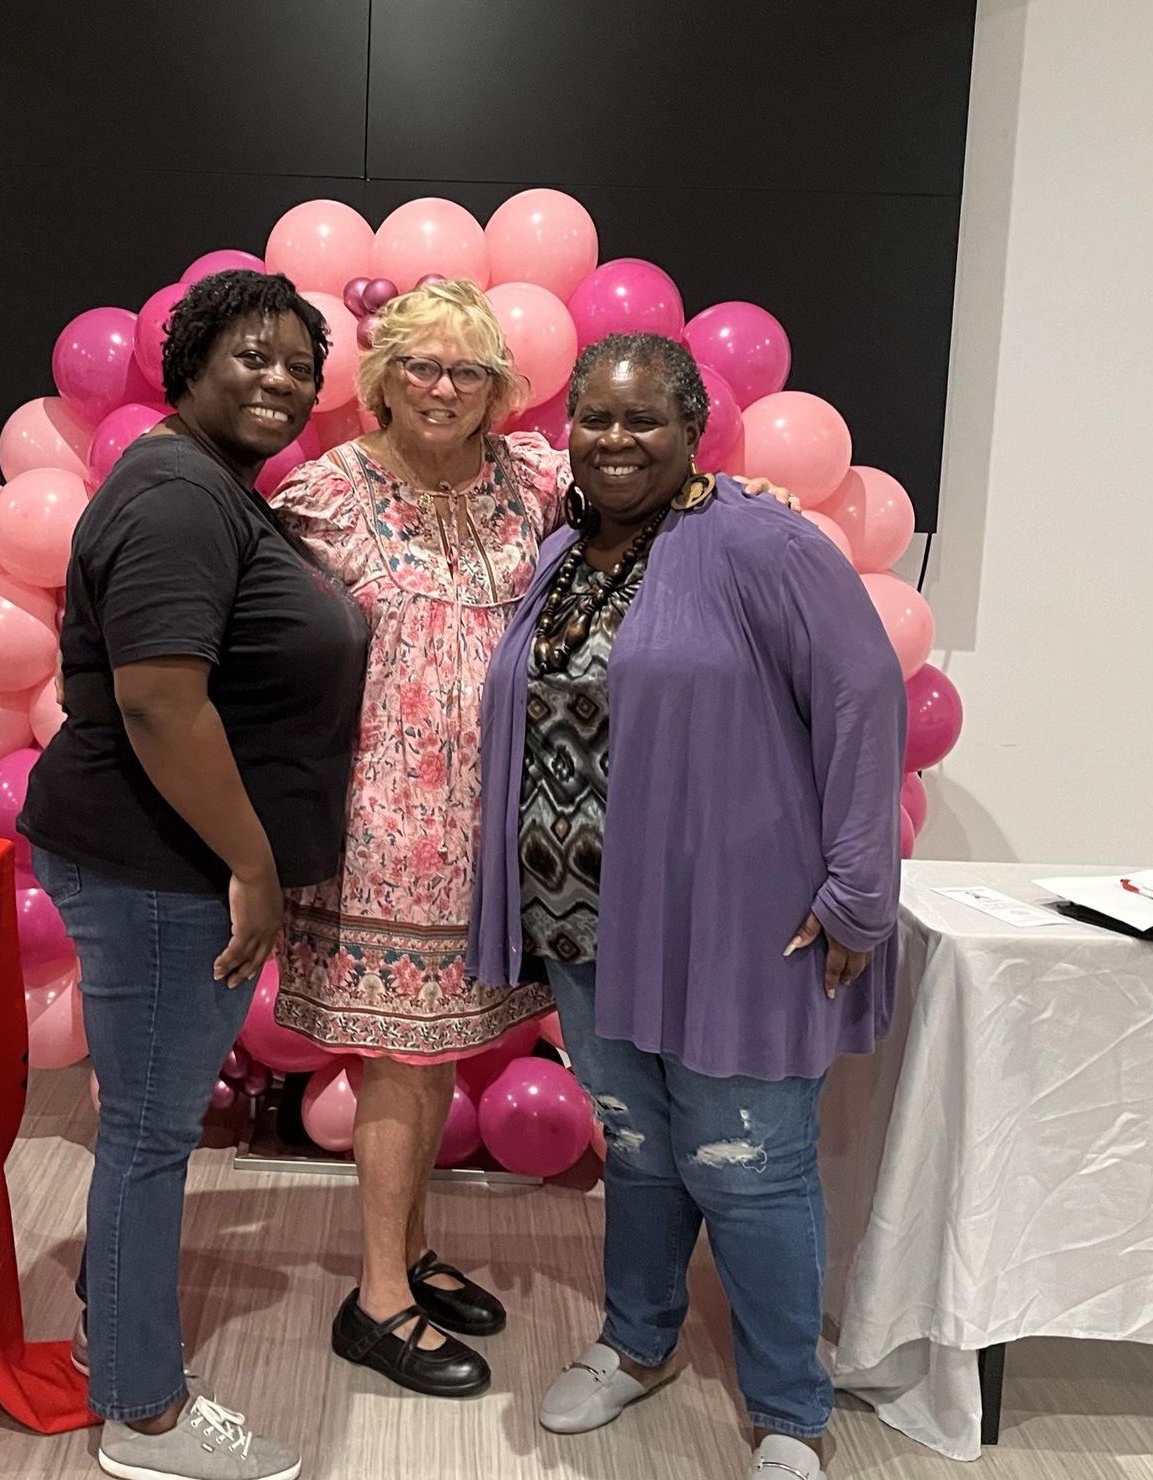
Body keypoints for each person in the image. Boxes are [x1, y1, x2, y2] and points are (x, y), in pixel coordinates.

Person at [268, 282, 795, 1399]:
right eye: (420, 364)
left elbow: (664, 494)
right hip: (385, 832)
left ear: (502, 387)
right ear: (384, 375)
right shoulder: (323, 494)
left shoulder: (537, 480)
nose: (443, 387)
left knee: (437, 1051)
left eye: (467, 370)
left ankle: (407, 1253)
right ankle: (377, 1301)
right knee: (401, 1062)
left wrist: (755, 502)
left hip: (511, 826)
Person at [467, 333, 906, 1480]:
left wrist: (858, 890)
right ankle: (638, 1339)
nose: (613, 441)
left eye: (641, 421)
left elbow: (864, 702)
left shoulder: (764, 543)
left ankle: (790, 1410)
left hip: (739, 919)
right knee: (640, 1146)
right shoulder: (563, 548)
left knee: (749, 1158)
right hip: (583, 918)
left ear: (692, 427)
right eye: (594, 420)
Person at [19, 271, 369, 1480]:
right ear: (188, 365)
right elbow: (162, 704)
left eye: (298, 366)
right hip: (163, 870)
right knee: (154, 1136)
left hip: (166, 863)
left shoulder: (213, 487)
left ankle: (111, 1336)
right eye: (252, 356)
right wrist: (254, 865)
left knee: (148, 1129)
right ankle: (142, 1411)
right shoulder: (177, 493)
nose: (278, 380)